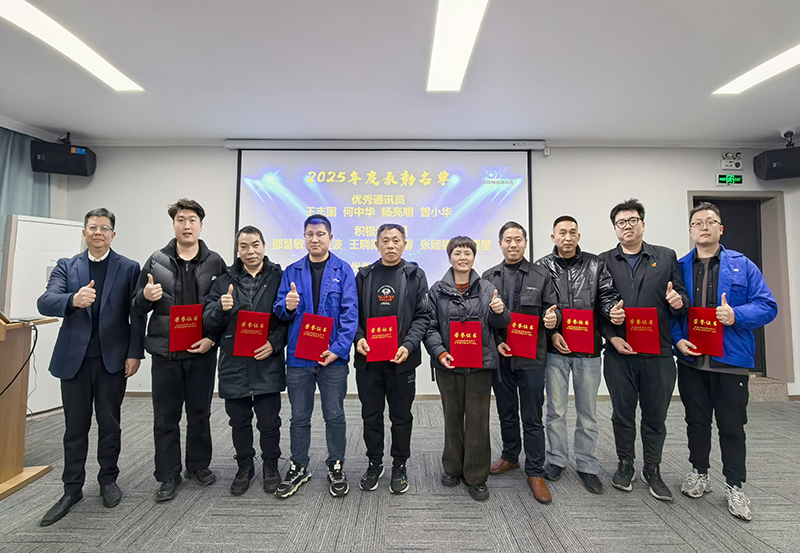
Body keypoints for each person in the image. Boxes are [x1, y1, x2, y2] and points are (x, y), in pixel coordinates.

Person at [36, 208, 145, 526]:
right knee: (75, 428)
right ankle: (72, 489)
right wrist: (72, 299)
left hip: (113, 359)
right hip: (75, 361)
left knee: (110, 425)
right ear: (84, 233)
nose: (98, 232)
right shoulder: (67, 266)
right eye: (93, 227)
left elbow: (136, 314)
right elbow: (45, 301)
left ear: (113, 234)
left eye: (105, 228)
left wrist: (134, 353)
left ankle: (108, 480)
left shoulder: (129, 267)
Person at [671, 202, 777, 521]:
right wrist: (677, 340)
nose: (704, 227)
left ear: (721, 228)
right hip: (692, 362)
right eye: (697, 222)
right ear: (691, 230)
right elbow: (672, 314)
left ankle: (734, 485)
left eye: (710, 221)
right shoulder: (679, 267)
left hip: (730, 361)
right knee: (696, 421)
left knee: (731, 426)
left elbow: (767, 306)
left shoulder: (743, 265)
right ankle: (699, 472)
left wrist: (736, 315)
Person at [132, 198, 227, 502]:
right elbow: (136, 306)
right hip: (166, 353)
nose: (187, 226)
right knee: (166, 416)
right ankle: (168, 474)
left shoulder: (215, 262)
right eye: (181, 220)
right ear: (173, 225)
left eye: (192, 220)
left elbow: (225, 308)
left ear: (201, 225)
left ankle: (198, 466)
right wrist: (146, 296)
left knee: (200, 413)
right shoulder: (156, 261)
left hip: (202, 351)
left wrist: (212, 338)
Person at [599, 198, 689, 502]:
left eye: (632, 220)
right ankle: (625, 464)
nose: (627, 226)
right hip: (619, 351)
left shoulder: (665, 257)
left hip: (658, 352)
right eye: (621, 223)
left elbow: (682, 300)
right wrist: (611, 335)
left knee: (655, 415)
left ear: (643, 224)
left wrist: (679, 301)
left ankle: (653, 469)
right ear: (615, 229)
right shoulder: (604, 261)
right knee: (622, 413)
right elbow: (598, 307)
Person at [535, 216, 624, 495]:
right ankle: (556, 459)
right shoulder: (542, 267)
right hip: (556, 349)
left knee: (588, 412)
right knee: (556, 411)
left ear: (579, 236)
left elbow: (607, 296)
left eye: (572, 232)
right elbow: (539, 305)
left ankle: (587, 464)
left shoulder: (596, 264)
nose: (567, 237)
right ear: (553, 237)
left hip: (589, 350)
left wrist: (611, 310)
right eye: (562, 232)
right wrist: (552, 332)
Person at [272, 214, 358, 498]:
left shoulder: (344, 270)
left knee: (334, 415)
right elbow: (280, 312)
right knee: (299, 417)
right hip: (299, 357)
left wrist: (338, 349)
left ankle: (336, 465)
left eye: (321, 234)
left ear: (330, 238)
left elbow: (350, 315)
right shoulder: (292, 271)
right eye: (310, 234)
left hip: (333, 358)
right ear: (304, 238)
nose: (315, 239)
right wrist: (287, 305)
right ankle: (298, 465)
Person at [203, 226, 288, 496]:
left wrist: (274, 343)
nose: (250, 251)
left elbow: (288, 321)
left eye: (255, 245)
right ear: (237, 250)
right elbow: (208, 321)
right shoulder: (223, 281)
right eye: (244, 246)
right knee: (238, 421)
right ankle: (244, 466)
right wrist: (220, 308)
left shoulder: (279, 277)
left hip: (267, 360)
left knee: (269, 421)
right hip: (234, 363)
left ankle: (271, 465)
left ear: (264, 246)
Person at [425, 236, 510, 501]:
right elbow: (430, 327)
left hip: (480, 366)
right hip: (448, 366)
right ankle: (452, 467)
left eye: (467, 253)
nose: (463, 258)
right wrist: (440, 353)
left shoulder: (487, 288)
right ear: (449, 257)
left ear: (474, 257)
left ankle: (476, 476)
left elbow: (501, 324)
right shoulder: (437, 290)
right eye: (457, 253)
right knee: (451, 418)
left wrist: (499, 311)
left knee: (477, 421)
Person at [482, 222, 559, 503]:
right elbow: (484, 319)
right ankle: (510, 456)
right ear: (500, 244)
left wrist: (553, 319)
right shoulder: (489, 277)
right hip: (502, 356)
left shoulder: (541, 274)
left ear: (525, 242)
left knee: (532, 416)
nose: (513, 244)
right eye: (507, 240)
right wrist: (496, 341)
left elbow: (554, 309)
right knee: (506, 411)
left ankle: (535, 470)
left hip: (531, 356)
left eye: (518, 239)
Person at [354, 223, 431, 494]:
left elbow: (423, 316)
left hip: (402, 361)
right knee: (371, 415)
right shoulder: (364, 275)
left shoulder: (415, 275)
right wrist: (358, 338)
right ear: (376, 245)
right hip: (369, 361)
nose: (390, 245)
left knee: (401, 416)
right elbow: (353, 315)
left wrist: (409, 345)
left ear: (404, 244)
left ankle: (400, 464)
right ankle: (374, 463)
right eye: (385, 240)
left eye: (396, 240)